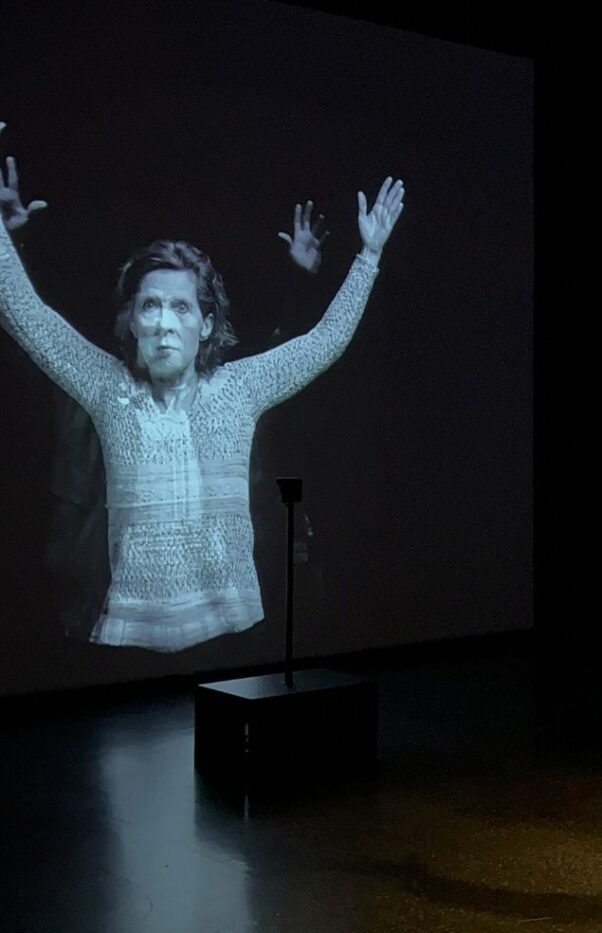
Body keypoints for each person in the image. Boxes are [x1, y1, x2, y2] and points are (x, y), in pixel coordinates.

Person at [0, 121, 404, 653]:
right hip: (124, 646)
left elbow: (325, 341)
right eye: (150, 305)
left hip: (233, 634)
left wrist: (368, 256)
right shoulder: (107, 388)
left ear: (206, 325)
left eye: (182, 306)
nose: (165, 321)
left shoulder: (239, 389)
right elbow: (25, 314)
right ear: (132, 323)